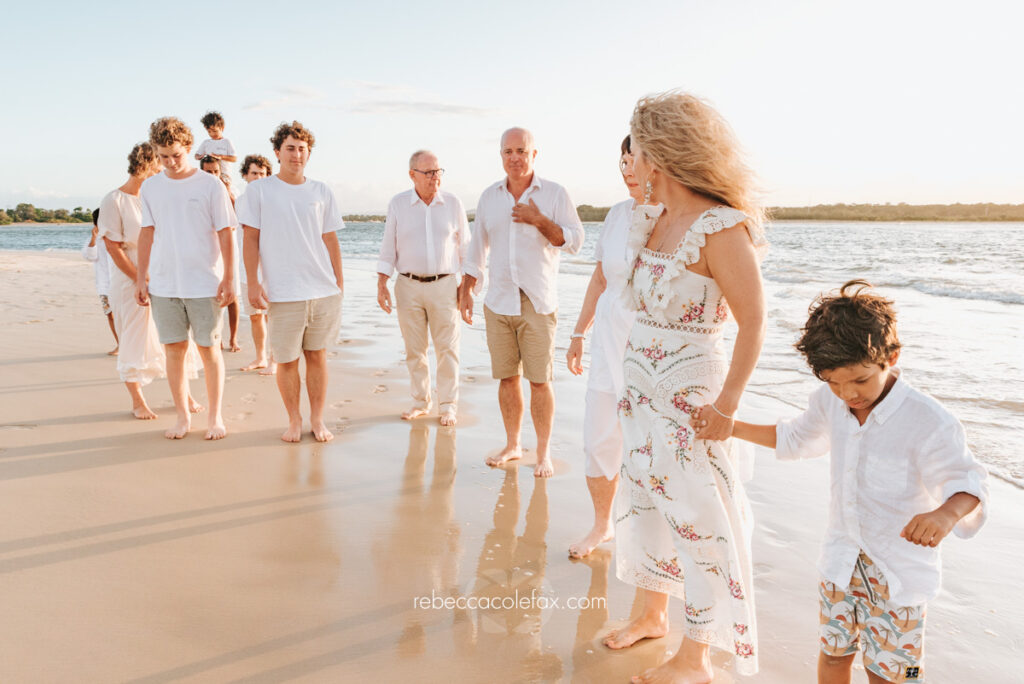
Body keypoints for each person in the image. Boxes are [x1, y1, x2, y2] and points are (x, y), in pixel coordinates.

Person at [698, 280, 988, 684]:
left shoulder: (929, 421)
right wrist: (730, 427)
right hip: (839, 562)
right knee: (834, 656)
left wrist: (945, 513)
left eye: (860, 380)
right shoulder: (829, 400)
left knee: (896, 673)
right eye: (833, 382)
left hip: (898, 574)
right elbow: (797, 438)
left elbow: (968, 480)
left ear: (891, 357)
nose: (847, 394)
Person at [604, 92, 767, 683]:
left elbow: (754, 321)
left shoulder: (721, 227)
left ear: (661, 152)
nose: (631, 159)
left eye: (637, 146)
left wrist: (727, 407)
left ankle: (695, 657)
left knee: (699, 521)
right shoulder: (654, 219)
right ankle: (652, 616)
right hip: (641, 397)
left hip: (690, 401)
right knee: (648, 508)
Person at [460, 127, 584, 478]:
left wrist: (539, 220)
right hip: (498, 300)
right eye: (507, 151)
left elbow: (575, 241)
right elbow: (476, 249)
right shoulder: (489, 197)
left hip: (538, 302)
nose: (514, 157)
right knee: (506, 378)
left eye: (521, 151)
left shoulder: (555, 194)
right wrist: (468, 288)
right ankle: (513, 444)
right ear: (501, 155)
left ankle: (543, 453)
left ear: (534, 154)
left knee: (540, 381)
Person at [238, 121, 344, 443]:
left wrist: (339, 283)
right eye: (290, 148)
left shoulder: (321, 191)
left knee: (317, 357)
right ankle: (294, 420)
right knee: (286, 360)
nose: (296, 154)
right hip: (282, 292)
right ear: (277, 152)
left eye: (302, 149)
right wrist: (253, 283)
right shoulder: (258, 191)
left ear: (308, 153)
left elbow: (330, 240)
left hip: (322, 290)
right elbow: (250, 238)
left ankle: (317, 419)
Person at [136, 116, 236, 441]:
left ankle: (215, 416)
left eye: (176, 155)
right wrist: (141, 278)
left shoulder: (210, 185)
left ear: (189, 149)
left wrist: (230, 277)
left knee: (210, 350)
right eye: (163, 156)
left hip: (204, 282)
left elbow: (226, 233)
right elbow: (147, 233)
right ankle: (182, 417)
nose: (170, 162)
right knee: (174, 351)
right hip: (164, 285)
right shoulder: (151, 186)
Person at [565, 135, 641, 559]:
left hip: (648, 346)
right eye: (622, 160)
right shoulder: (615, 215)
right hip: (605, 341)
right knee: (599, 439)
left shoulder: (676, 217)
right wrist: (578, 333)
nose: (626, 169)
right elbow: (600, 279)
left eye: (634, 160)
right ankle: (601, 525)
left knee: (648, 445)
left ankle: (654, 539)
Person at [99, 143, 202, 420]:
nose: (164, 169)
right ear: (146, 164)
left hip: (164, 275)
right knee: (134, 337)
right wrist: (139, 279)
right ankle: (138, 401)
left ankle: (185, 394)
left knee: (174, 336)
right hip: (129, 279)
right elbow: (113, 248)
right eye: (159, 163)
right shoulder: (114, 200)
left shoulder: (155, 196)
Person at [377, 150, 469, 427]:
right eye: (428, 172)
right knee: (414, 348)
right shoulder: (398, 204)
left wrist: (467, 286)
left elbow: (467, 246)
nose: (435, 178)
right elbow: (388, 245)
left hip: (445, 285)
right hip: (408, 285)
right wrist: (382, 282)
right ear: (412, 175)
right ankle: (420, 401)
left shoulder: (453, 203)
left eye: (439, 171)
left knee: (447, 348)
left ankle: (448, 405)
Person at [237, 154, 276, 375]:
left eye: (262, 174)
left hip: (271, 270)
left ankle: (274, 359)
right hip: (246, 270)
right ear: (245, 175)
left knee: (273, 317)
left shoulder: (273, 200)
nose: (258, 177)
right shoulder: (240, 201)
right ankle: (260, 356)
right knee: (254, 316)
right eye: (254, 173)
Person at [199, 155, 242, 353]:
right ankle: (216, 335)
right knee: (213, 296)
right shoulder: (198, 192)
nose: (213, 175)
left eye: (216, 171)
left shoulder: (229, 193)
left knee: (233, 296)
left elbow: (237, 218)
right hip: (208, 251)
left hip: (229, 246)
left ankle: (233, 337)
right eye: (208, 172)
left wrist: (228, 192)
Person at [82, 209, 118, 355]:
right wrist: (93, 237)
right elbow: (89, 256)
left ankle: (131, 345)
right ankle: (120, 344)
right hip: (104, 285)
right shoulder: (95, 240)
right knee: (111, 315)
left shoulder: (118, 236)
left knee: (126, 315)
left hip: (121, 282)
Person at [194, 111, 237, 180]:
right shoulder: (206, 143)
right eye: (209, 132)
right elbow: (196, 156)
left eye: (214, 131)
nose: (212, 134)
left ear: (222, 128)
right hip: (209, 175)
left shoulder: (226, 142)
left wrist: (220, 157)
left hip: (224, 175)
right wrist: (200, 156)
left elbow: (234, 158)